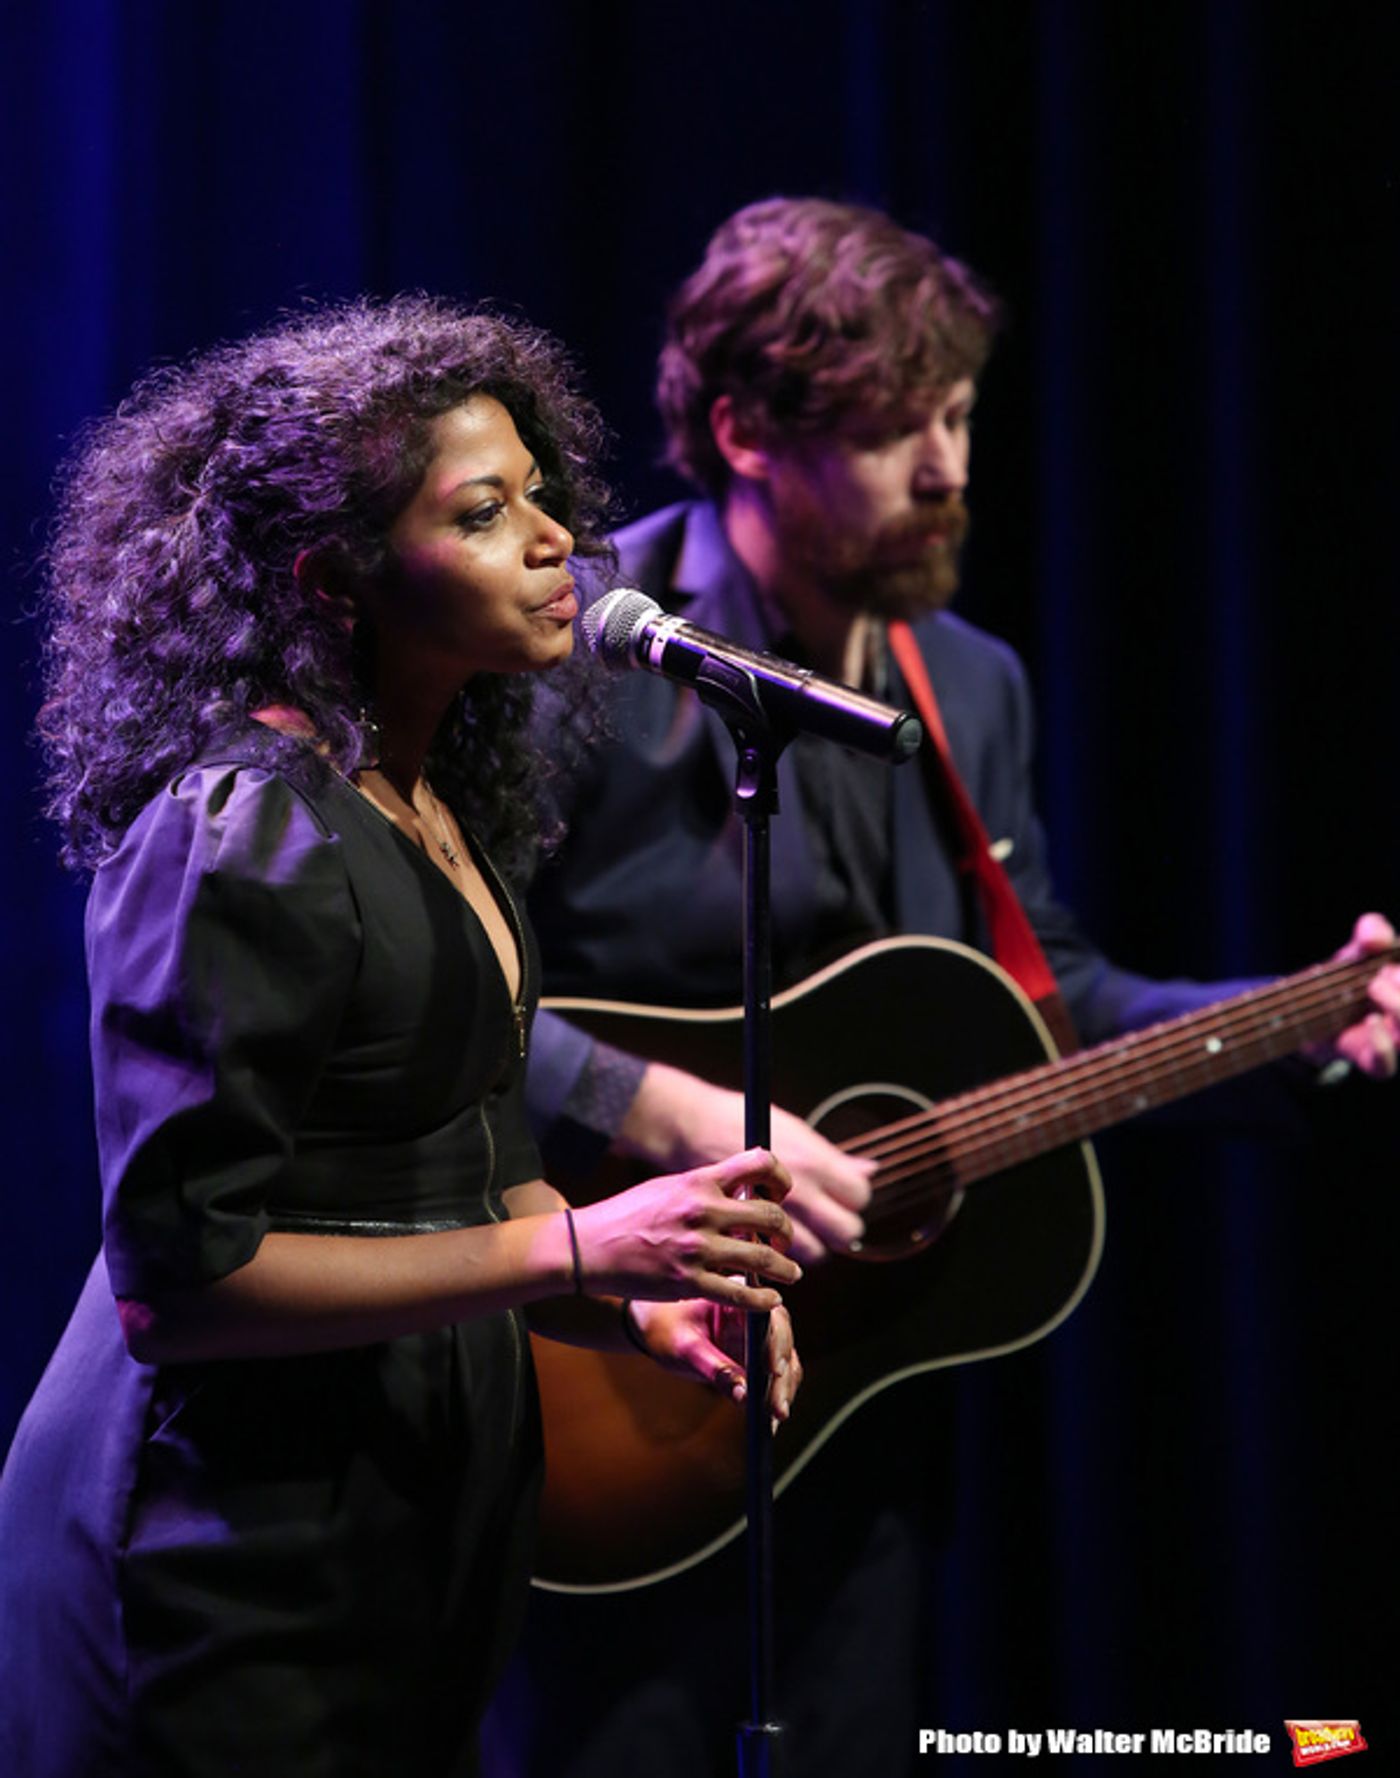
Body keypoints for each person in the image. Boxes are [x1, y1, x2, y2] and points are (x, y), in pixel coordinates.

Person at [490, 199, 1400, 1776]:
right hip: (601, 1380)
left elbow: (1053, 1002)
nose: (954, 468)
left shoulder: (969, 680)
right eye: (899, 428)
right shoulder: (575, 658)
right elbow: (442, 1007)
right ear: (744, 432)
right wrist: (661, 1111)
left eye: (962, 416)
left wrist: (1318, 1012)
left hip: (856, 1429)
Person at [0, 295, 804, 1778]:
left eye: (543, 496)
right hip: (222, 1547)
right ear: (339, 579)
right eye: (485, 513)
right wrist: (581, 1250)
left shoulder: (431, 804)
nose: (557, 537)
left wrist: (633, 1303)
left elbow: (479, 1171)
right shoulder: (243, 830)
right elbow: (180, 1281)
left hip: (400, 1531)